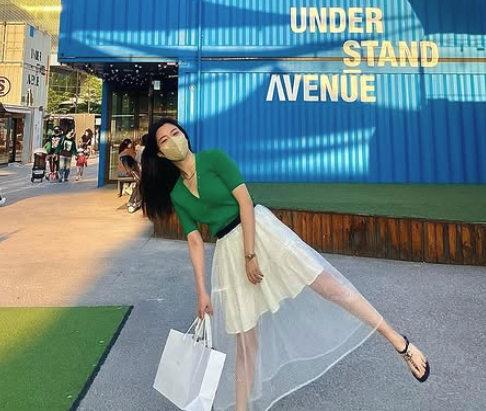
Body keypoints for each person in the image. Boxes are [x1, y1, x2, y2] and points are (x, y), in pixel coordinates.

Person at [140, 118, 430, 411]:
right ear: (160, 153)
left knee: (329, 285)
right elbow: (194, 241)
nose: (173, 139)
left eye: (175, 132)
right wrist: (202, 292)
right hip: (227, 250)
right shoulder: (178, 194)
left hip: (260, 232)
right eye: (165, 139)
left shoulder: (213, 158)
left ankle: (400, 343)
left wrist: (250, 255)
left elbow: (244, 202)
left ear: (185, 135)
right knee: (246, 345)